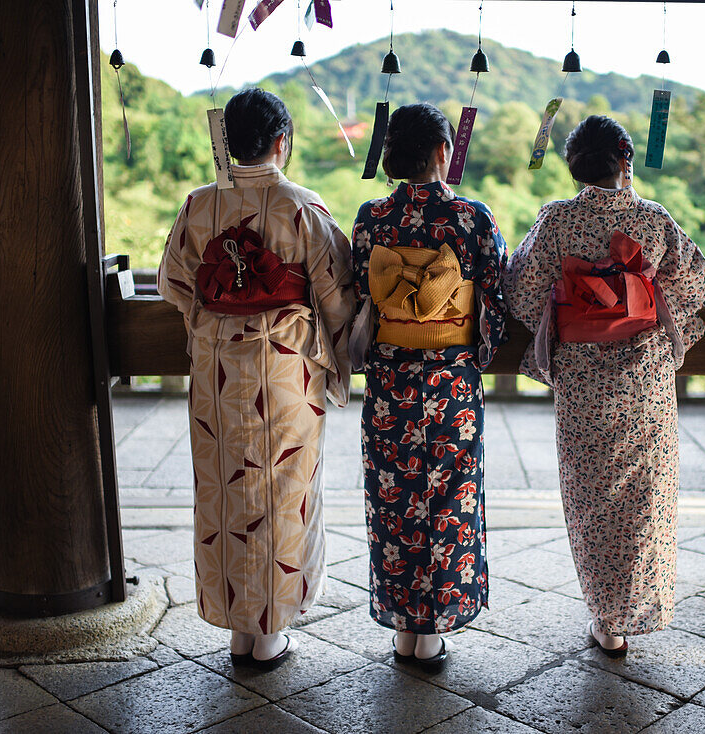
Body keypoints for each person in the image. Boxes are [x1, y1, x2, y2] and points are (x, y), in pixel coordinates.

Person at [502, 115, 705, 657]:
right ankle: (634, 609)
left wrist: (576, 307)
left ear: (574, 167)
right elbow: (698, 281)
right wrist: (643, 303)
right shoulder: (652, 218)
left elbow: (522, 297)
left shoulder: (554, 222)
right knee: (645, 497)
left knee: (591, 497)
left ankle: (606, 618)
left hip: (582, 383)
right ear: (626, 160)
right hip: (643, 380)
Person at [158, 88, 354, 668]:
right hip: (285, 370)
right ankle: (267, 634)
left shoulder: (199, 206)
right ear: (280, 142)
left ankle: (237, 628)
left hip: (218, 372)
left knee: (225, 492)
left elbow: (173, 282)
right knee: (280, 490)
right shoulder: (302, 206)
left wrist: (215, 317)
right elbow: (338, 299)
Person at [350, 103, 507, 670]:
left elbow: (356, 294)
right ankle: (433, 629)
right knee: (448, 500)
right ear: (443, 151)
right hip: (450, 383)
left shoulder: (370, 220)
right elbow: (496, 299)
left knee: (393, 501)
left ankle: (402, 627)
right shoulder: (471, 218)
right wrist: (474, 347)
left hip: (392, 378)